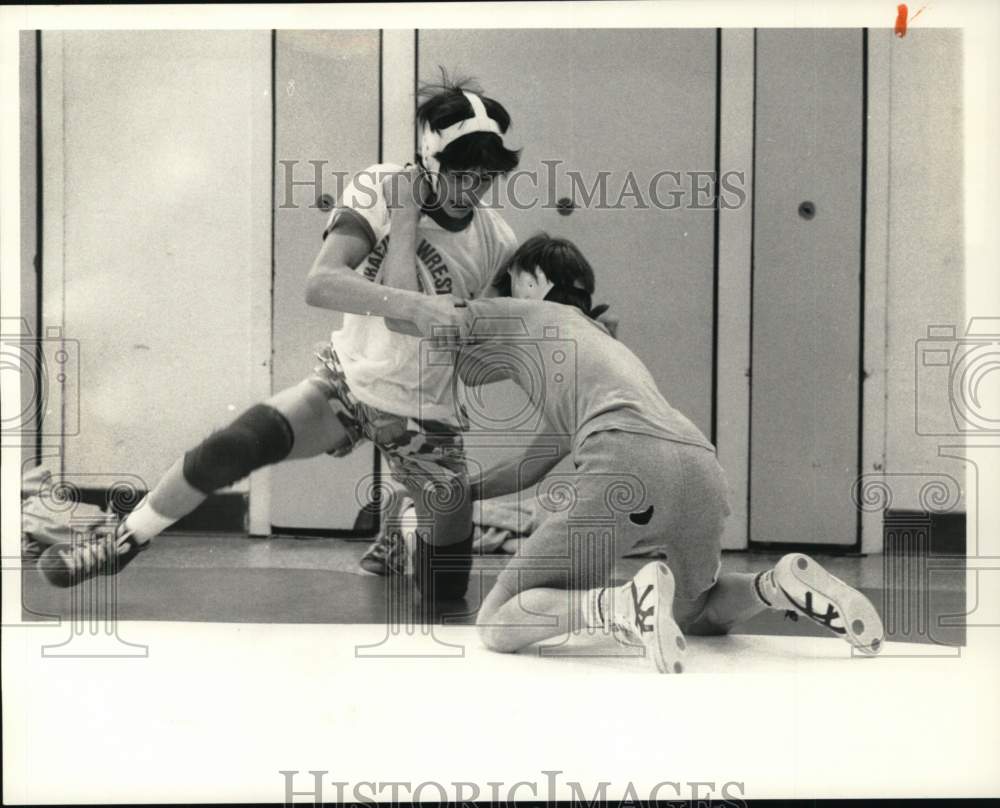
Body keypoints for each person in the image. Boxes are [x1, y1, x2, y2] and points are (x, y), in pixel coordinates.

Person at [40, 78, 521, 604]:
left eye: (489, 174)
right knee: (231, 447)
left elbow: (473, 339)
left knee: (444, 594)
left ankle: (406, 524)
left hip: (427, 414)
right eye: (462, 171)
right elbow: (321, 283)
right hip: (352, 383)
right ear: (429, 160)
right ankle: (124, 538)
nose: (474, 186)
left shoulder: (497, 240)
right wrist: (404, 226)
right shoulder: (381, 185)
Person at [383, 234, 886, 672]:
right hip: (697, 463)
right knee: (696, 611)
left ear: (532, 280)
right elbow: (529, 466)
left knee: (496, 621)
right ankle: (775, 586)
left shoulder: (523, 312)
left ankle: (623, 605)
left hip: (626, 457)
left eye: (506, 281)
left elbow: (406, 315)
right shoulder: (597, 347)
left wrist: (404, 218)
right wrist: (461, 492)